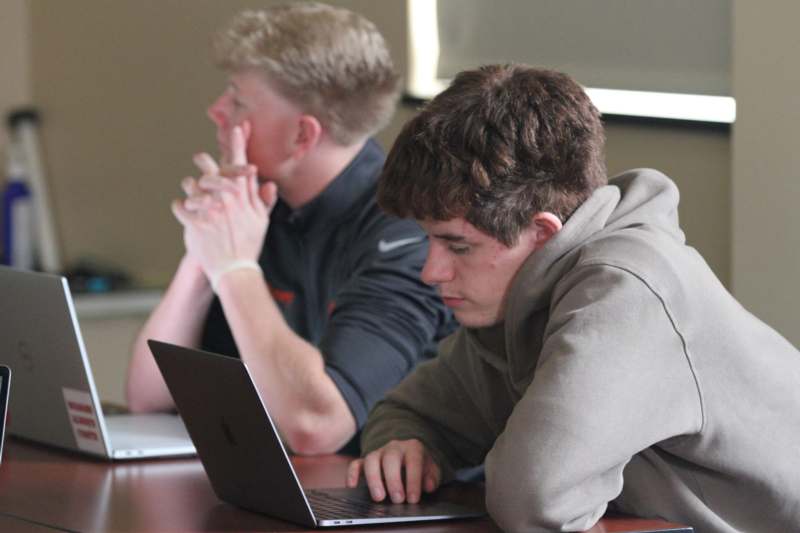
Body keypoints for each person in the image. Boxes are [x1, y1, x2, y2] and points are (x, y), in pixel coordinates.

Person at [346, 64, 800, 532]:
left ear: (542, 232)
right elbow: (407, 411)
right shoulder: (513, 304)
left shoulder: (627, 289)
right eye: (429, 241)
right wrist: (403, 445)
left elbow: (534, 499)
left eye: (458, 246)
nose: (430, 271)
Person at [125, 3, 455, 456]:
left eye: (238, 100)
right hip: (286, 489)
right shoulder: (258, 204)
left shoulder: (408, 231)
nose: (217, 111)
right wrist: (204, 254)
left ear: (303, 135)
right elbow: (149, 397)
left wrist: (236, 268)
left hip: (396, 506)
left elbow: (316, 427)